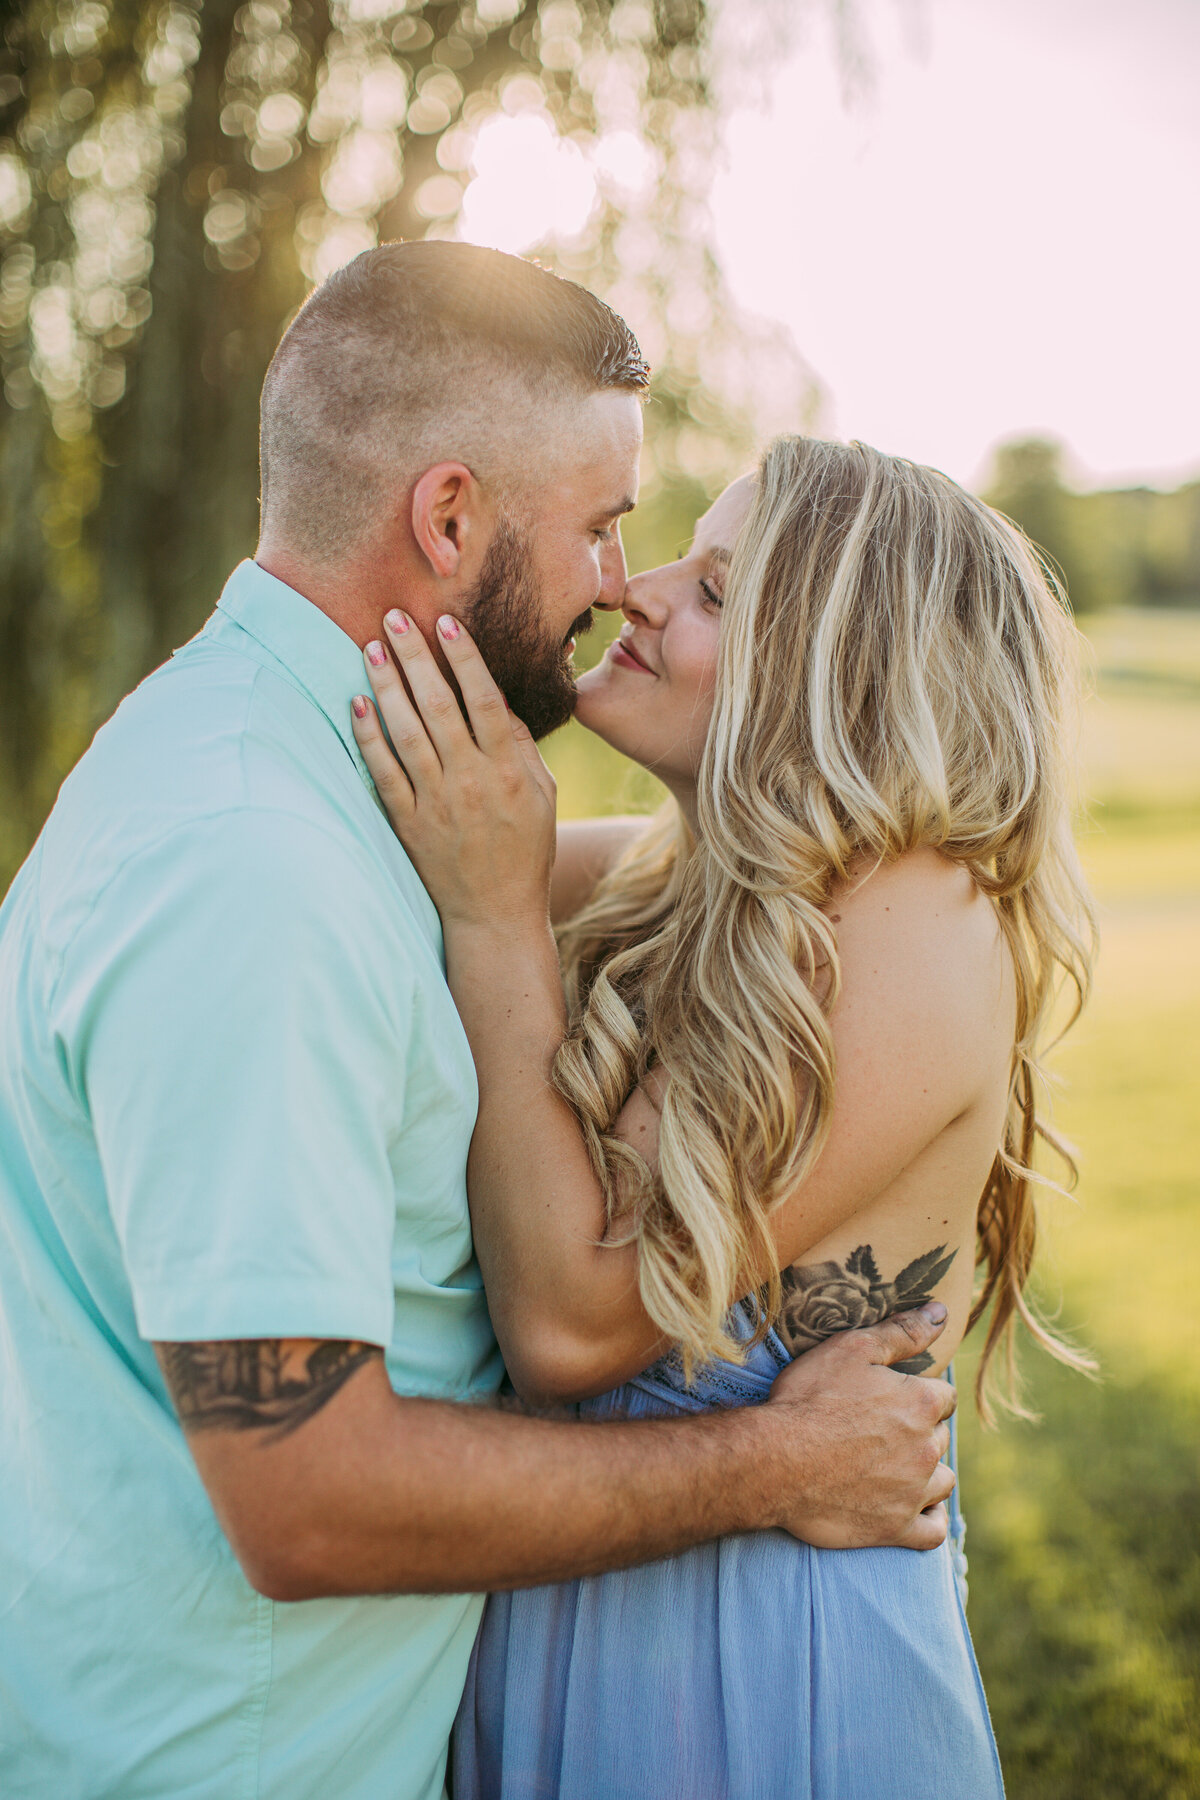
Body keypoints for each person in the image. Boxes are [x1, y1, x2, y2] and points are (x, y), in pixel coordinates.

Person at [0, 247, 958, 1800]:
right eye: (601, 527)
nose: (616, 584)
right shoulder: (254, 865)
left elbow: (687, 886)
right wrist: (778, 1463)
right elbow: (308, 1494)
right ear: (450, 520)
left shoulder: (321, 778)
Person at [350, 433, 1097, 1799]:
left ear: (831, 676)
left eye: (712, 590)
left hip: (762, 1670)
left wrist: (497, 920)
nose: (631, 591)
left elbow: (572, 1324)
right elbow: (384, 853)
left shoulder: (918, 922)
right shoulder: (678, 879)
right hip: (573, 1616)